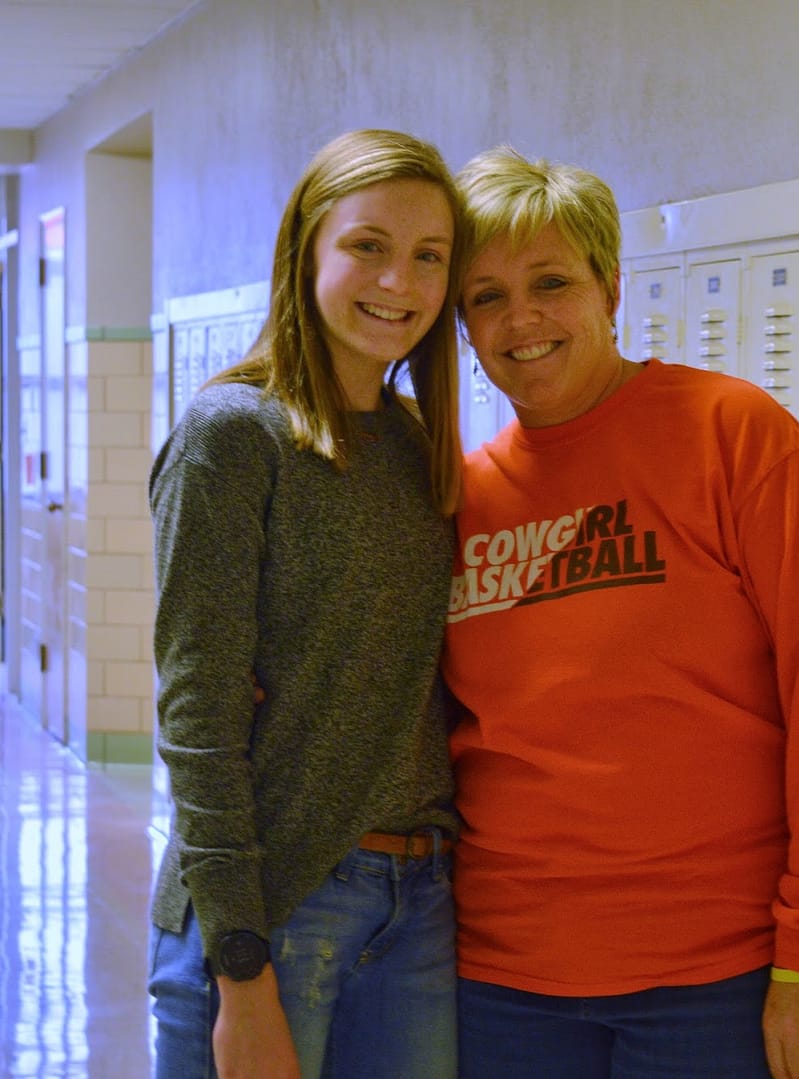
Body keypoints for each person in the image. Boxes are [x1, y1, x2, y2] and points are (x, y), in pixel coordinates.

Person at [442, 146, 799, 1079]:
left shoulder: (733, 438)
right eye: (487, 296)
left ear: (610, 290)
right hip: (506, 984)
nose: (521, 319)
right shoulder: (462, 499)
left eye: (551, 283)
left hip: (726, 977)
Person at [147, 129, 466, 1079]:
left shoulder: (417, 443)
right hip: (277, 898)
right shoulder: (234, 435)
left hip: (418, 900)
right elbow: (198, 710)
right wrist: (240, 965)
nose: (399, 281)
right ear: (306, 248)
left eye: (429, 256)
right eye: (368, 245)